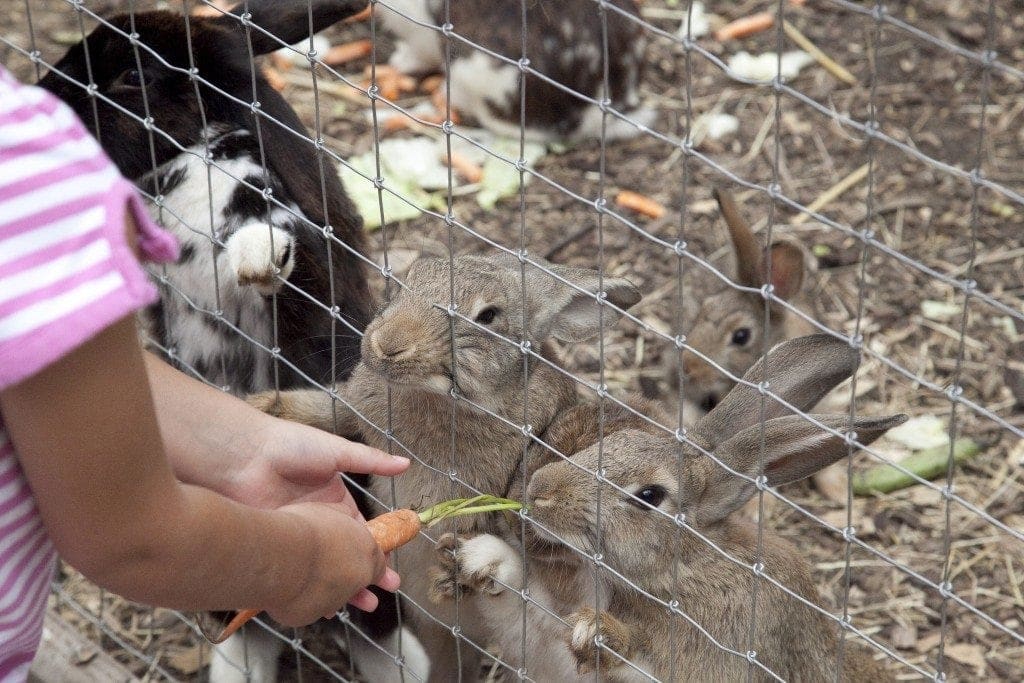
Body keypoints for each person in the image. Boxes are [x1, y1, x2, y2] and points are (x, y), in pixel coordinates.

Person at [0, 65, 407, 679]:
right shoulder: (27, 161)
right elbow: (133, 537)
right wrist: (304, 561)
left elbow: (38, 362)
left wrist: (240, 447)